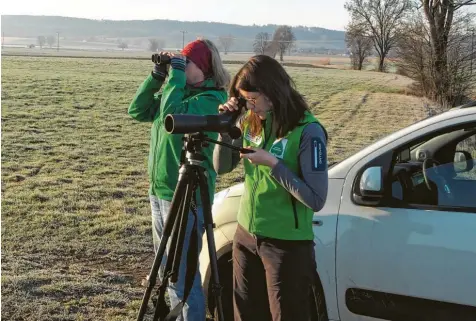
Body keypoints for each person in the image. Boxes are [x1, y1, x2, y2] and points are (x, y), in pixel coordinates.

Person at [213, 55, 328, 321]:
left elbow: (316, 198)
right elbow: (221, 167)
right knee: (246, 314)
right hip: (246, 235)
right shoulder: (252, 120)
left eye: (253, 99)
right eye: (245, 100)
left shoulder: (308, 131)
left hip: (286, 245)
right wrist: (226, 125)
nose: (250, 106)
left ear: (273, 91)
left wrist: (273, 164)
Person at [128, 39, 230, 321]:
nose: (183, 69)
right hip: (160, 192)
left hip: (188, 198)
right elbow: (137, 110)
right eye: (181, 63)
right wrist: (156, 77)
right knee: (165, 270)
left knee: (182, 277)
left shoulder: (212, 101)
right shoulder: (179, 91)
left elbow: (170, 119)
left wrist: (174, 76)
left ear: (205, 68)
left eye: (189, 63)